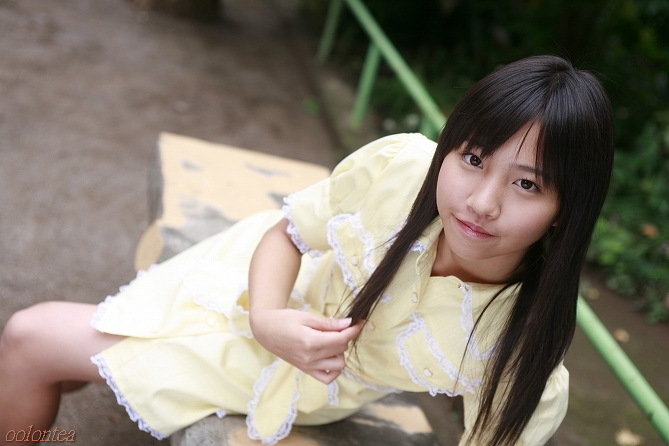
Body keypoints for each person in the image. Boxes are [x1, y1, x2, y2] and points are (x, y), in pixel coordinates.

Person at [0, 54, 613, 446]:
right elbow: (287, 233)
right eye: (473, 158)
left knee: (30, 339)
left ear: (568, 208)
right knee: (49, 348)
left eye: (526, 184)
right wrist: (268, 318)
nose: (481, 202)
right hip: (250, 281)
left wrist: (271, 338)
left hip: (293, 377)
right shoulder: (403, 169)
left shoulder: (520, 348)